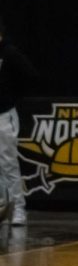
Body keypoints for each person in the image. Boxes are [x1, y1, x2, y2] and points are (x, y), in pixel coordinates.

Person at [0, 15, 37, 226]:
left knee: (8, 164)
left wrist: (11, 97)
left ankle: (18, 209)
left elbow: (31, 76)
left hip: (3, 115)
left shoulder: (10, 53)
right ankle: (4, 209)